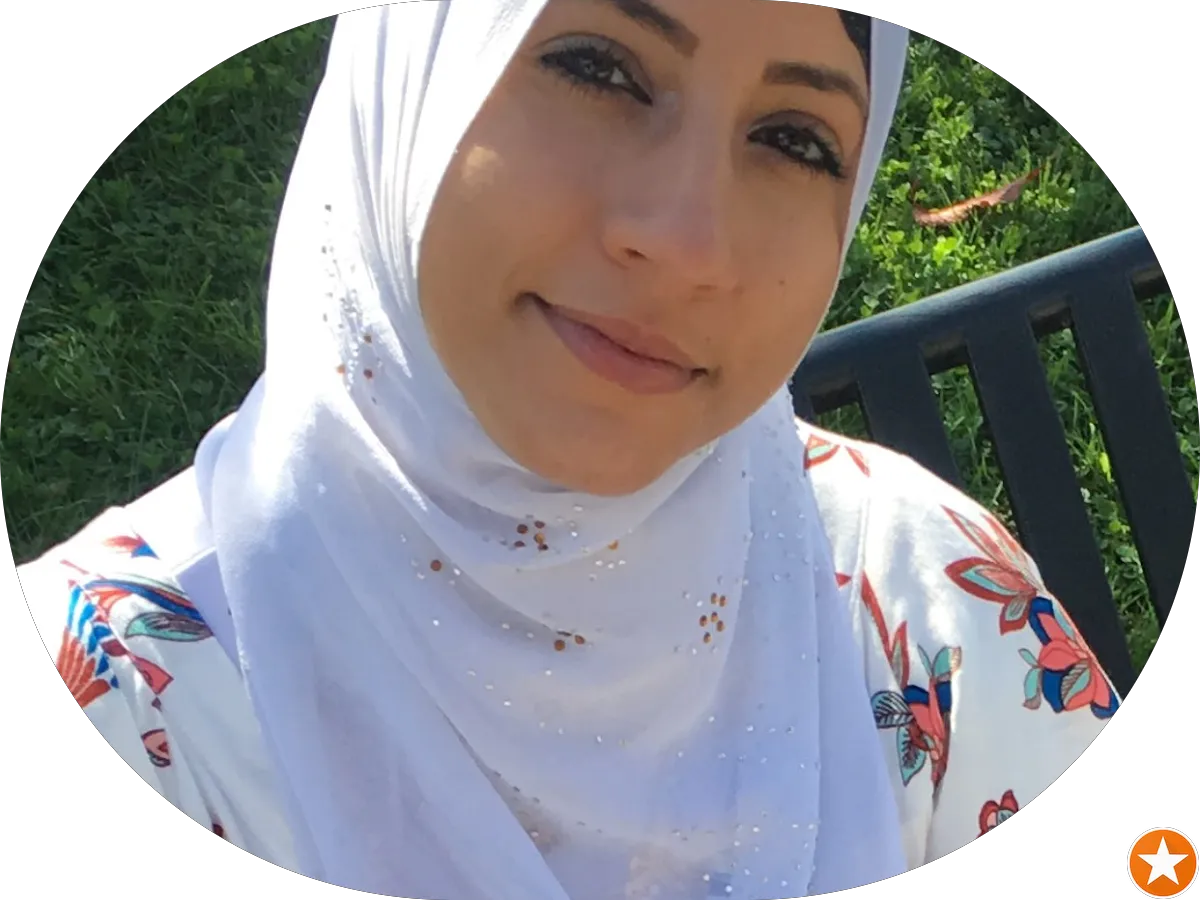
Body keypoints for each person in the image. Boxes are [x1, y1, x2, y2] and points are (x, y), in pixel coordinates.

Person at [17, 3, 1120, 898]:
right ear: (416, 70)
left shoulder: (921, 600)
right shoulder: (125, 700)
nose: (687, 239)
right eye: (599, 68)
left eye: (795, 140)